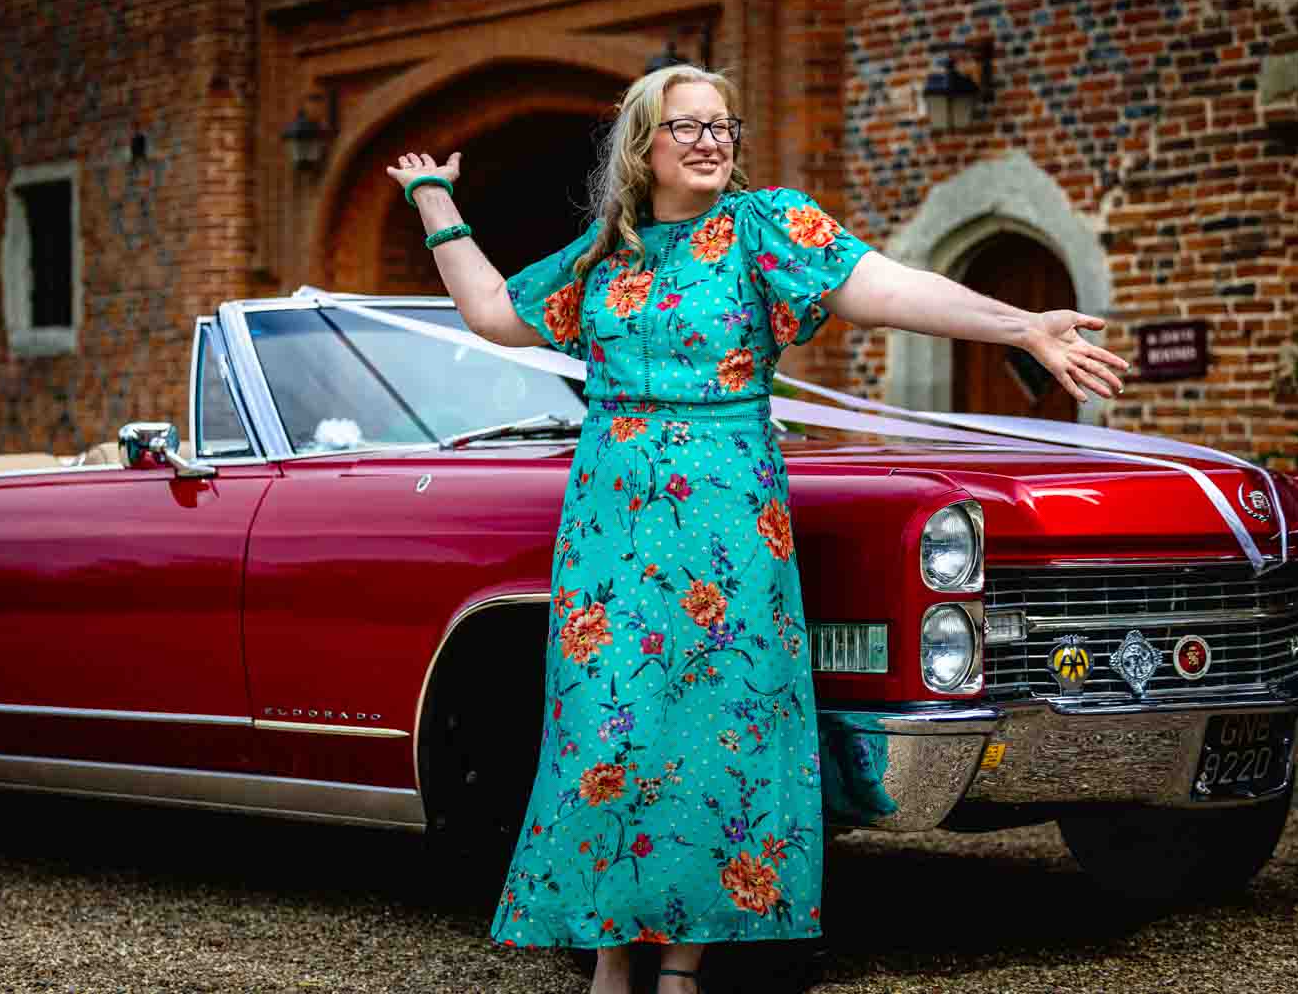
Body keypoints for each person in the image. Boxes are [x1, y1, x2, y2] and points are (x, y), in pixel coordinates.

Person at [386, 64, 1127, 994]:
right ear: (642, 145)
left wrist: (1020, 327)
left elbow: (884, 285)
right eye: (686, 126)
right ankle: (614, 954)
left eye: (721, 125)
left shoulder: (761, 228)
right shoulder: (602, 257)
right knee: (609, 728)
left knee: (716, 727)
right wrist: (432, 203)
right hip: (610, 532)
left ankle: (689, 965)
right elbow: (494, 313)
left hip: (727, 520)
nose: (709, 140)